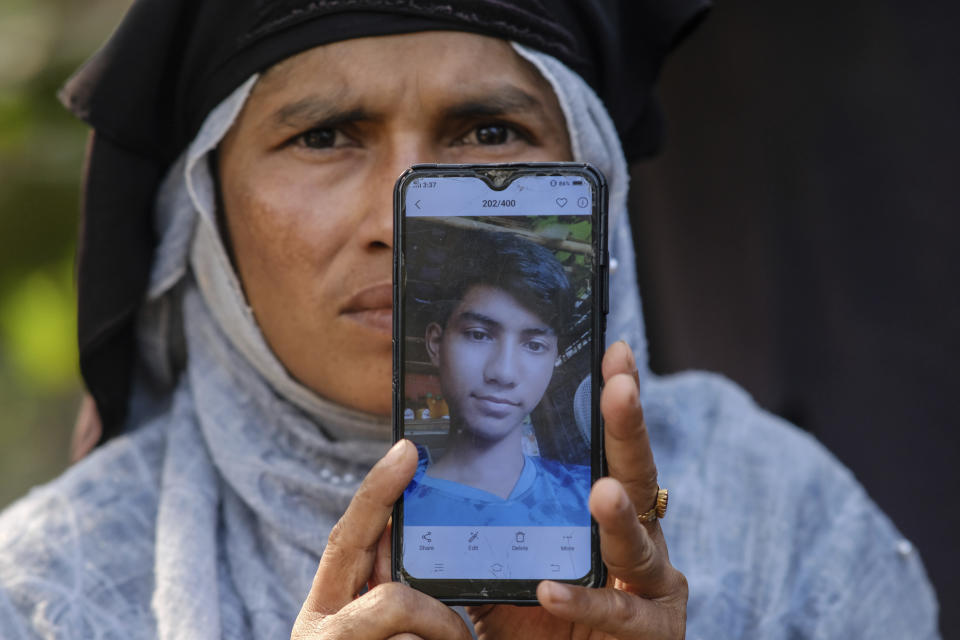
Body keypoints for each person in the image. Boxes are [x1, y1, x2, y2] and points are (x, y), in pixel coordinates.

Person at [0, 1, 940, 638]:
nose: (409, 223)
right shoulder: (53, 595)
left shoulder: (788, 525)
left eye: (489, 131)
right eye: (324, 136)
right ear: (206, 217)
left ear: (595, 190)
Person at [403, 229, 591, 526]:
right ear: (436, 344)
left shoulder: (589, 495)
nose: (503, 373)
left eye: (534, 345)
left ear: (553, 360)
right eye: (478, 335)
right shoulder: (393, 501)